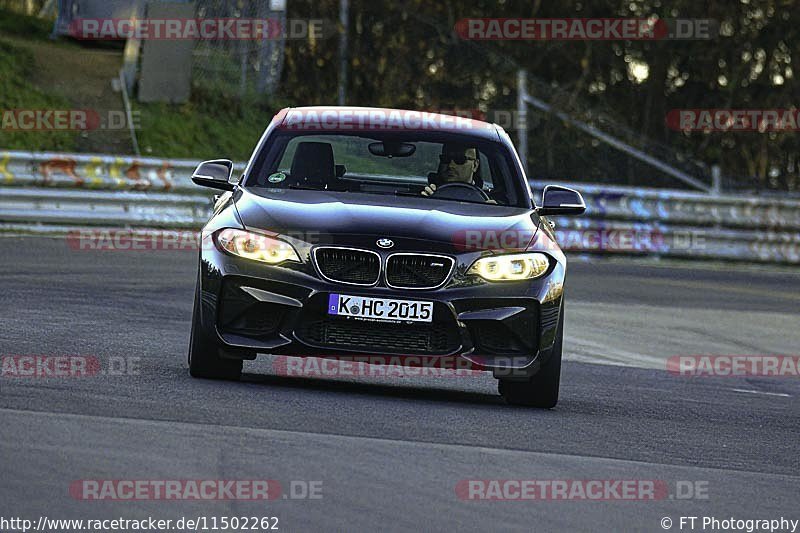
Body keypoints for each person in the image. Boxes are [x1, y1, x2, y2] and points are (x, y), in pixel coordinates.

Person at [421, 143, 497, 203]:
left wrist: (491, 212)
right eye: (446, 159)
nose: (451, 165)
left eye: (460, 160)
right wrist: (425, 203)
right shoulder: (430, 193)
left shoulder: (488, 198)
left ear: (475, 165)